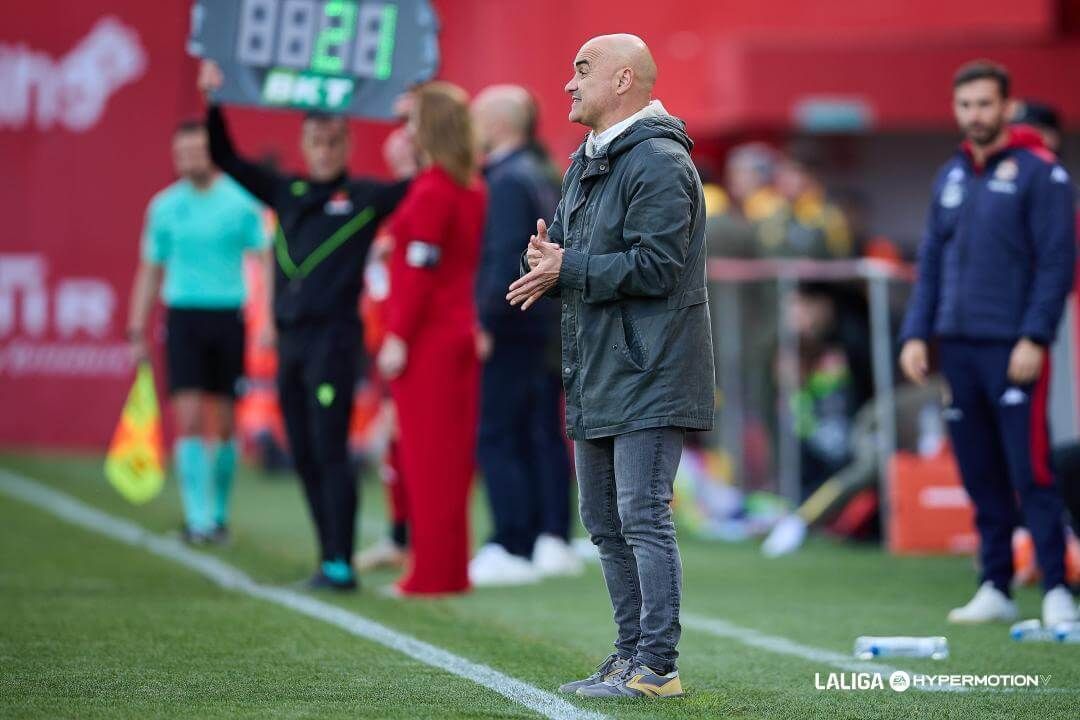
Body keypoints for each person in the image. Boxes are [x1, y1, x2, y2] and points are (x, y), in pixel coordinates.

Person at [507, 34, 714, 698]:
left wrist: (570, 267)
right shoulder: (587, 161)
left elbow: (658, 267)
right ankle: (628, 657)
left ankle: (658, 665)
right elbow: (573, 256)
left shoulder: (657, 160)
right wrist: (546, 263)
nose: (569, 84)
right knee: (601, 520)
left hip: (650, 366)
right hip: (601, 365)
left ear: (623, 80)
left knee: (642, 513)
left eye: (582, 70)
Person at [197, 60, 408, 591]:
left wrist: (412, 118)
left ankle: (339, 562)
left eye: (334, 139)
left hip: (334, 342)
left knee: (331, 447)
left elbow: (423, 184)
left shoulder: (364, 198)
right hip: (290, 343)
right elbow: (224, 156)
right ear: (304, 141)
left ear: (346, 143)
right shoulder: (283, 190)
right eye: (316, 138)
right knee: (306, 452)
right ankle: (328, 555)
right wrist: (214, 100)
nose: (324, 148)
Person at [898, 60, 1077, 626]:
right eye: (966, 105)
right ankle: (995, 583)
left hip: (1014, 347)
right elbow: (931, 262)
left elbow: (1056, 264)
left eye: (985, 104)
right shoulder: (951, 175)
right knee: (978, 470)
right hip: (957, 346)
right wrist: (916, 334)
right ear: (957, 109)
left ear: (1006, 106)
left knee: (1031, 470)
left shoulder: (1041, 174)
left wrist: (1035, 336)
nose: (975, 114)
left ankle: (1056, 589)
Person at [126, 119, 268, 545]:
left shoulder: (241, 203)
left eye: (196, 151)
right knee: (187, 415)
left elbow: (267, 259)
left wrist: (273, 319)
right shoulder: (165, 207)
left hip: (227, 316)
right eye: (181, 153)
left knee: (224, 420)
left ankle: (219, 514)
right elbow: (150, 270)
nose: (188, 160)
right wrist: (136, 327)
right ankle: (197, 518)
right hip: (184, 316)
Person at [376, 81, 487, 596]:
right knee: (449, 459)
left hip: (429, 341)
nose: (407, 130)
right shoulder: (469, 187)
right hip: (455, 331)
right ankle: (448, 569)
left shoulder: (433, 189)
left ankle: (432, 574)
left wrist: (398, 336)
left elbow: (421, 270)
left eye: (414, 121)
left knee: (427, 459)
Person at [469, 84, 580, 586]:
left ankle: (512, 541)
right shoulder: (540, 173)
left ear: (498, 124)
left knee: (500, 432)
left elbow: (503, 257)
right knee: (540, 433)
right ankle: (550, 534)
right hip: (543, 324)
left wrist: (487, 319)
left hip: (513, 324)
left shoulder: (506, 180)